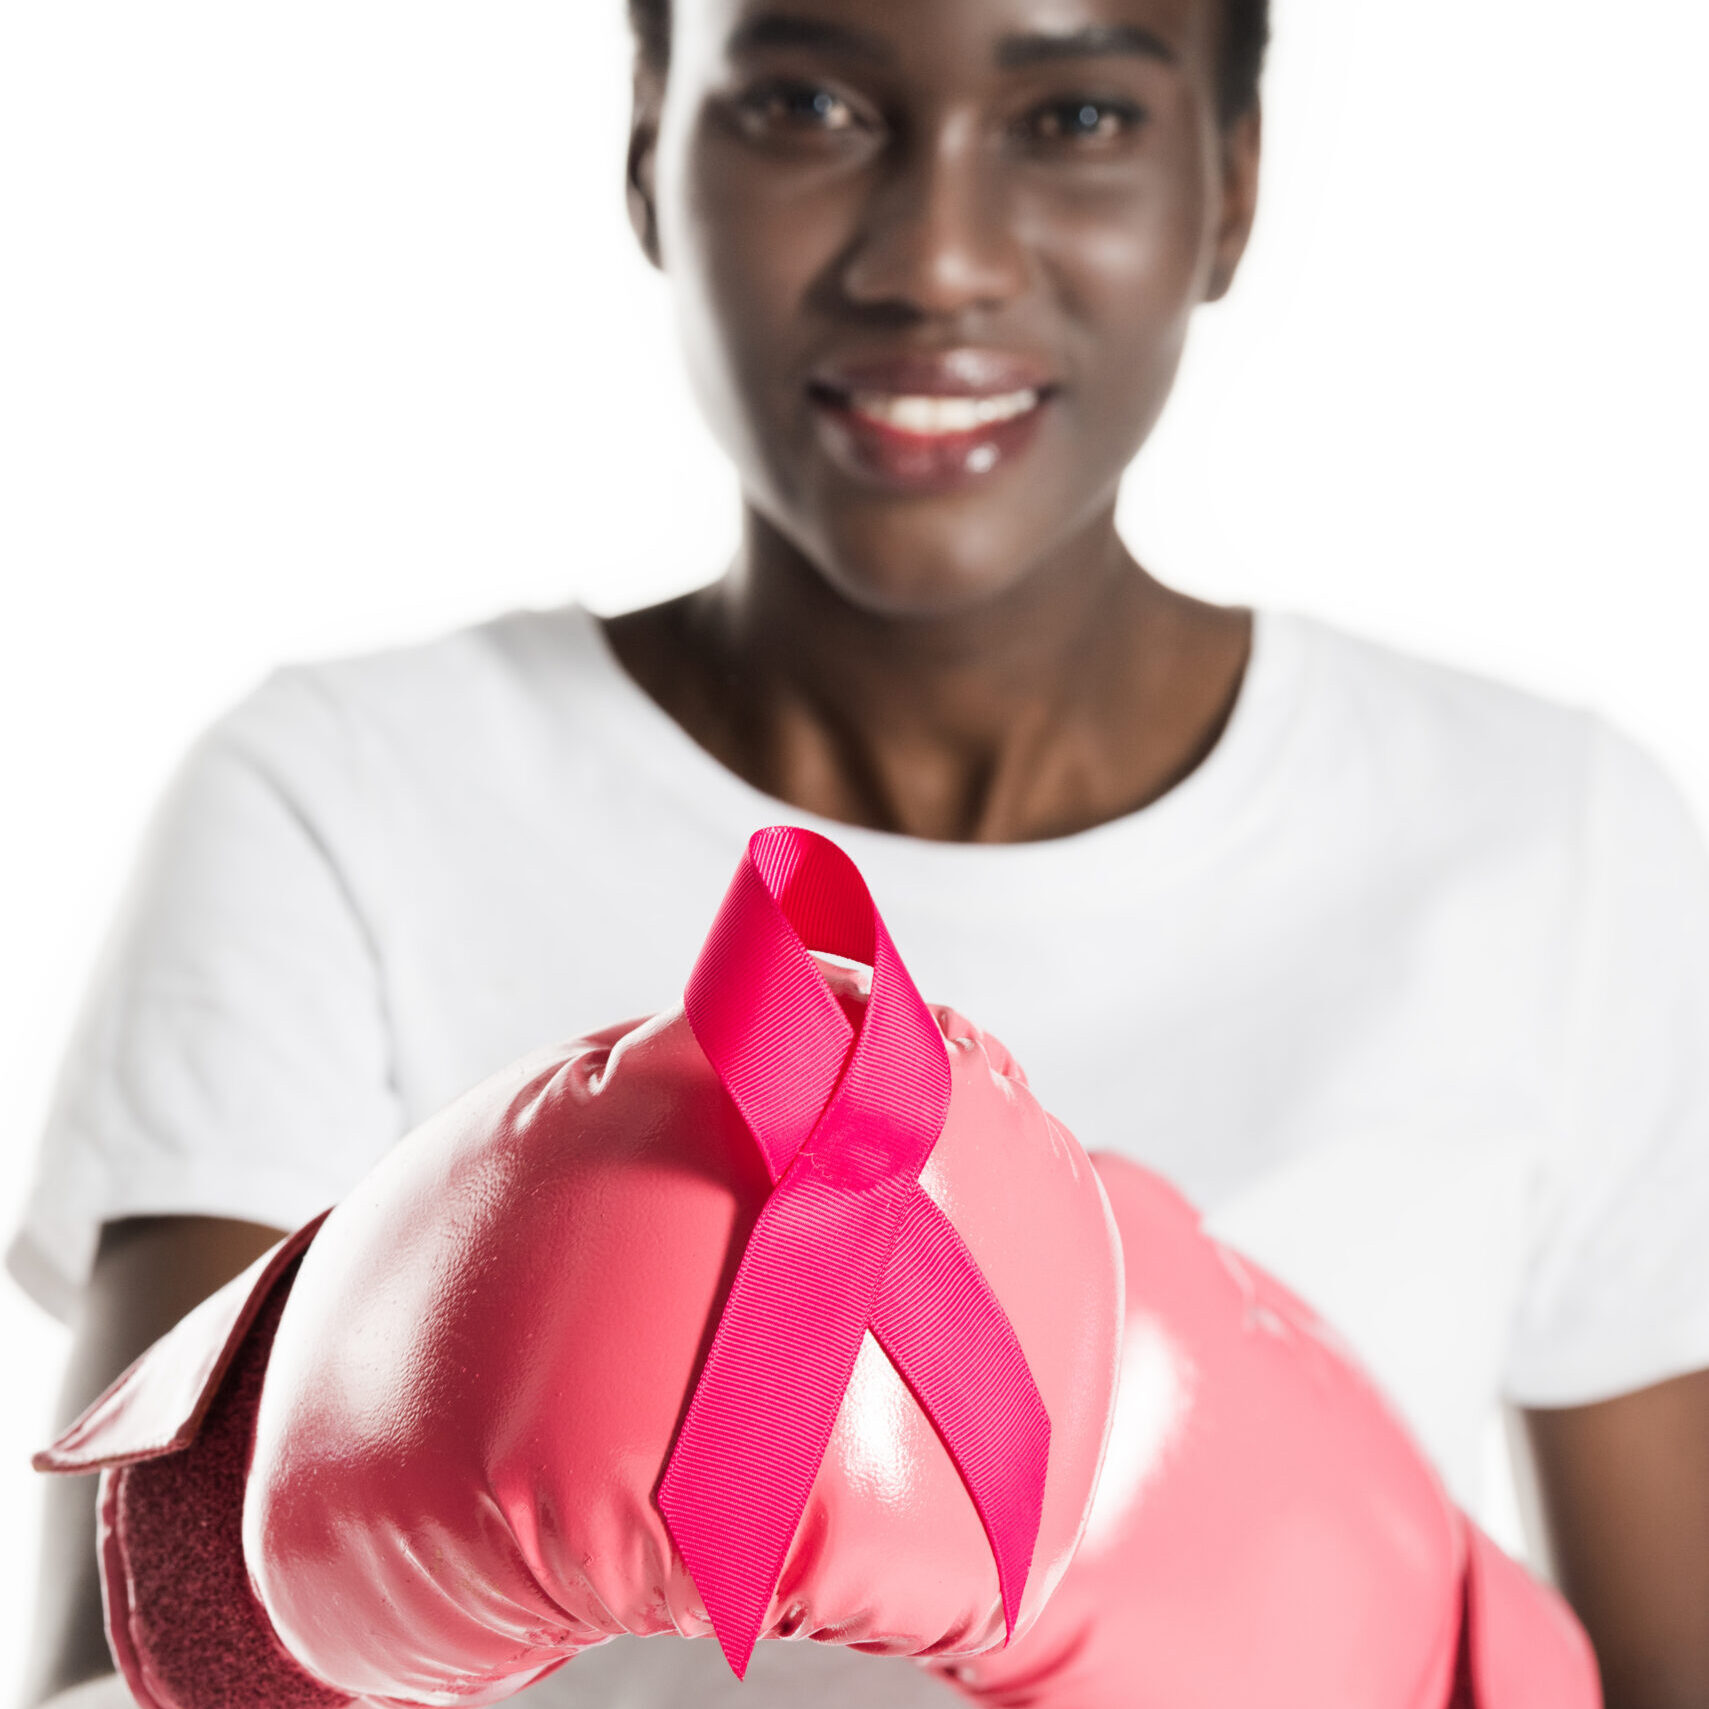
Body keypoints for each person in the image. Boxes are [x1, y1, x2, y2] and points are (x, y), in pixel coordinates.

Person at [14, 0, 1709, 1705]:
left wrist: (1379, 1636)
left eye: (1075, 117)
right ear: (646, 146)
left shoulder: (1551, 842)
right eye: (809, 101)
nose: (935, 260)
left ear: (1233, 182)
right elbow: (133, 1666)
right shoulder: (337, 798)